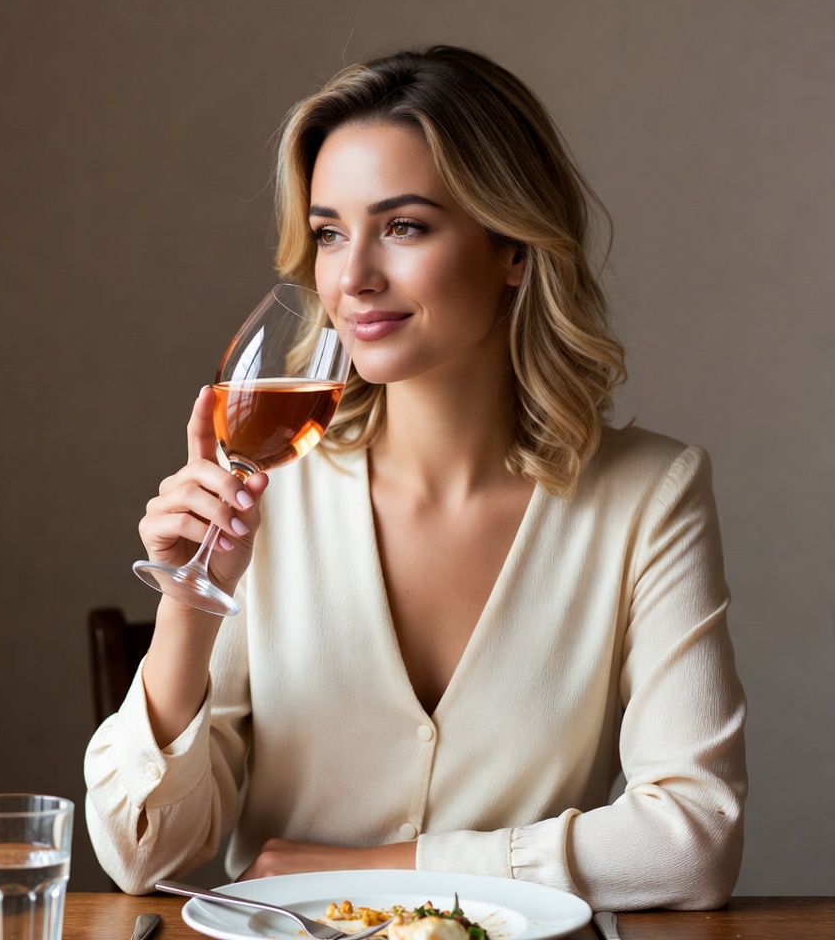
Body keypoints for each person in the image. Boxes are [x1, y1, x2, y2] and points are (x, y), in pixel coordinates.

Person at [85, 44, 746, 910]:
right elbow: (140, 856)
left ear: (514, 248)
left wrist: (385, 870)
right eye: (329, 234)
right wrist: (190, 600)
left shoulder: (649, 495)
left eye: (403, 227)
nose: (352, 279)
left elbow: (693, 844)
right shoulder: (273, 489)